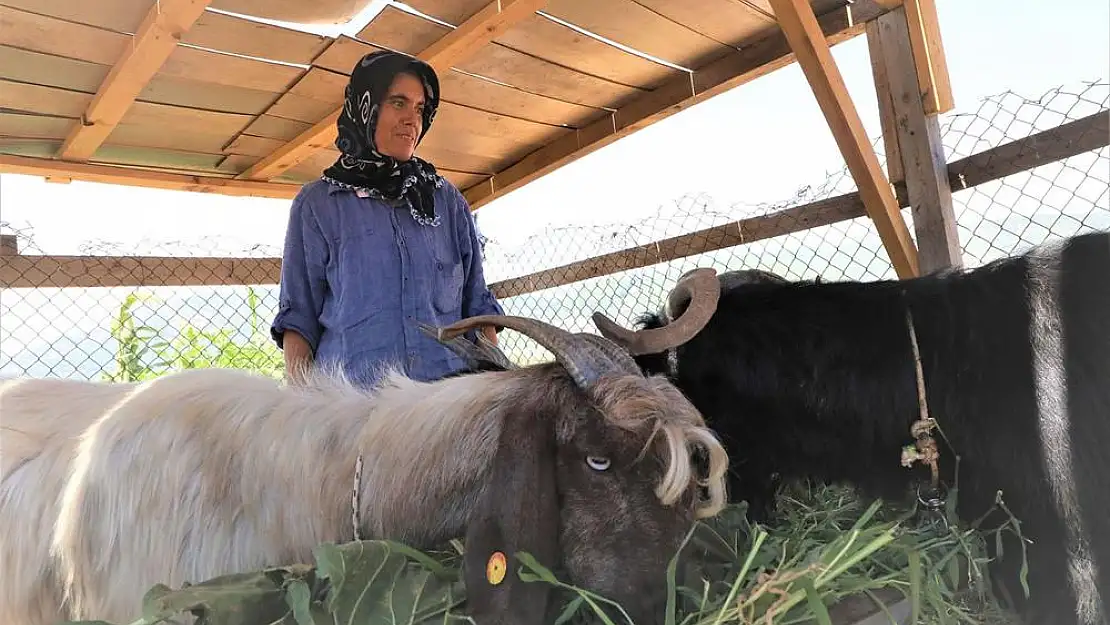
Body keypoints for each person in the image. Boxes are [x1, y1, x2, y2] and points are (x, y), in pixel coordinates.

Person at [271, 50, 505, 387]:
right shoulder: (319, 204)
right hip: (355, 412)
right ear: (366, 107)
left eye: (421, 108)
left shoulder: (446, 201)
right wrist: (299, 410)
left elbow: (478, 307)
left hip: (444, 409)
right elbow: (299, 320)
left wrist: (495, 391)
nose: (412, 119)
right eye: (398, 103)